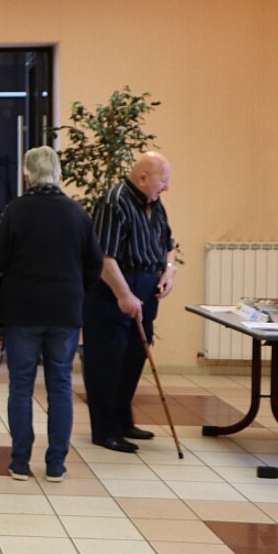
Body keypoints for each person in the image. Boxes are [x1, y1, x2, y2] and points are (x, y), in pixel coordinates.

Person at [0, 146, 103, 482]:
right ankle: (56, 464)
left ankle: (20, 462)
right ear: (58, 174)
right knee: (60, 385)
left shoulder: (16, 211)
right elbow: (94, 265)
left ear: (27, 174)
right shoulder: (77, 213)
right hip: (65, 310)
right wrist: (76, 290)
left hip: (22, 310)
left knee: (21, 386)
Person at [82, 151, 176, 453]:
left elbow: (169, 244)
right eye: (163, 181)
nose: (166, 187)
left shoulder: (155, 204)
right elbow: (104, 257)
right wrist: (124, 295)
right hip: (113, 294)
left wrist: (168, 272)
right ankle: (105, 430)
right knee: (108, 362)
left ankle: (123, 420)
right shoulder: (114, 201)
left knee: (134, 357)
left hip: (146, 291)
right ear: (143, 177)